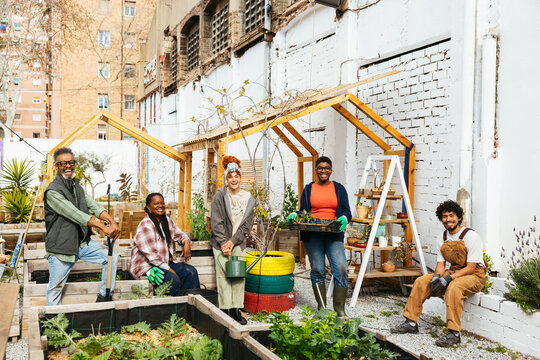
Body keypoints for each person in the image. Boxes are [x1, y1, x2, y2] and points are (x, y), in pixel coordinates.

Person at [390, 200, 486, 347]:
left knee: (454, 287)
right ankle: (411, 322)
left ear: (459, 217)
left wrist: (447, 279)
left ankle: (454, 333)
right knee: (422, 281)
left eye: (451, 215)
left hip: (474, 276)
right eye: (445, 216)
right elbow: (440, 265)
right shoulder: (442, 238)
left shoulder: (471, 236)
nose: (448, 219)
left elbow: (470, 268)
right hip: (454, 271)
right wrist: (436, 277)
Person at [44, 147, 120, 305]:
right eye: (63, 163)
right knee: (55, 289)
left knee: (111, 257)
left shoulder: (76, 187)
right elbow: (76, 215)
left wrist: (111, 221)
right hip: (62, 249)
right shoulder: (52, 192)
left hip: (81, 244)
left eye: (71, 162)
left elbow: (94, 206)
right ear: (56, 166)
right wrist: (102, 227)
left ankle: (104, 297)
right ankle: (53, 324)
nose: (68, 166)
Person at [287, 156, 351, 317]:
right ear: (316, 170)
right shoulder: (309, 189)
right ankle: (322, 308)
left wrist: (344, 218)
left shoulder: (339, 189)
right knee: (317, 270)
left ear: (331, 170)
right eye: (320, 168)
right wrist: (295, 214)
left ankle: (340, 310)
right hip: (312, 233)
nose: (324, 171)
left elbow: (346, 211)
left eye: (327, 168)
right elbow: (303, 211)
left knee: (341, 268)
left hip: (333, 233)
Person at [210, 156, 255, 325]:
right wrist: (223, 243)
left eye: (236, 175)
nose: (234, 179)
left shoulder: (248, 198)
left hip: (238, 242)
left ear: (240, 177)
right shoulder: (220, 196)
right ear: (226, 178)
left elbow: (246, 225)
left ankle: (236, 310)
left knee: (237, 276)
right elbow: (217, 222)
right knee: (223, 276)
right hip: (220, 242)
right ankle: (225, 310)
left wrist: (233, 242)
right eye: (230, 176)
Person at [130, 193, 200, 294]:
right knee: (172, 279)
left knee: (190, 272)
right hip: (146, 267)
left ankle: (190, 305)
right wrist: (170, 270)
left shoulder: (167, 221)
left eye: (162, 203)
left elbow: (180, 234)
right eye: (156, 203)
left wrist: (186, 243)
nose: (160, 206)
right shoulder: (145, 225)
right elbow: (153, 256)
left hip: (164, 262)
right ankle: (173, 308)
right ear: (148, 207)